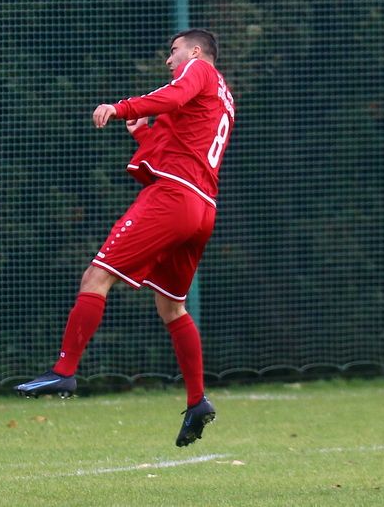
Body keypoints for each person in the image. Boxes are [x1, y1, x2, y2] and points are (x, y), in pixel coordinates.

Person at [15, 29, 235, 448]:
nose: (169, 60)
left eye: (173, 51)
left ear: (195, 51)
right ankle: (197, 401)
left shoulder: (200, 70)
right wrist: (141, 132)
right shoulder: (224, 95)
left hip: (173, 197)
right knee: (171, 306)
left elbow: (172, 97)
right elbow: (182, 147)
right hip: (202, 207)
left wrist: (120, 108)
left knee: (96, 277)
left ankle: (64, 371)